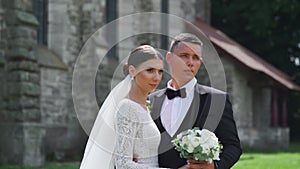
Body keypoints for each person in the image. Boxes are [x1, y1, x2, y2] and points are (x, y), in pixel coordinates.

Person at [149, 33, 242, 169]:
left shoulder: (217, 100)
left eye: (196, 58)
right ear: (169, 58)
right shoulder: (150, 101)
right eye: (184, 56)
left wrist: (215, 166)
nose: (190, 62)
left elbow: (233, 146)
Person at [80, 45, 168, 169]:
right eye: (150, 70)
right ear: (132, 71)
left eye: (160, 71)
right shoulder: (127, 108)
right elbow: (123, 164)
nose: (156, 77)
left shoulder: (144, 107)